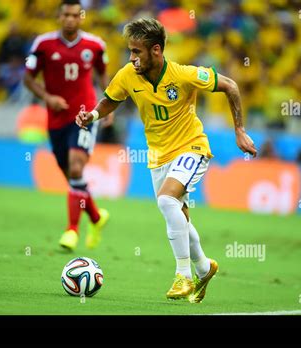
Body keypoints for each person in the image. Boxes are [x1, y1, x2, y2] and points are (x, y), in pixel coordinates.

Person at [76, 18, 257, 303]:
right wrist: (93, 115)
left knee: (165, 201)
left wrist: (240, 130)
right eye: (130, 51)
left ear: (156, 50)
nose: (131, 58)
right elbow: (112, 98)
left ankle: (183, 275)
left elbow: (231, 86)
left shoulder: (184, 74)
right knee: (179, 215)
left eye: (137, 52)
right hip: (158, 156)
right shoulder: (127, 75)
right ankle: (204, 267)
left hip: (192, 148)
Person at [24, 0, 113, 251]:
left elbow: (103, 75)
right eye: (66, 15)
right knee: (71, 175)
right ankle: (96, 217)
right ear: (59, 16)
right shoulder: (43, 45)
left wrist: (108, 106)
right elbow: (28, 78)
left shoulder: (95, 46)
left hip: (85, 114)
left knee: (76, 168)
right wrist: (48, 98)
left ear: (81, 17)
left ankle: (71, 231)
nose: (71, 19)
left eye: (75, 15)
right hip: (56, 119)